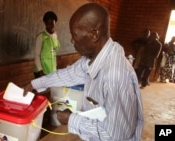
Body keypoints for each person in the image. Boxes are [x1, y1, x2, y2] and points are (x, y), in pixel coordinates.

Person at [24, 3, 143, 141]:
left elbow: (114, 135)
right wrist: (35, 83)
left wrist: (72, 119)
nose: (72, 40)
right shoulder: (95, 57)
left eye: (74, 35)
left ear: (94, 34)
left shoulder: (114, 75)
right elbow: (69, 74)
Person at [33, 11, 61, 78]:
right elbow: (37, 55)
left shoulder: (55, 36)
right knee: (43, 88)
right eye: (47, 24)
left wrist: (55, 67)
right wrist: (40, 71)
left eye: (52, 23)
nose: (50, 26)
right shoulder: (40, 37)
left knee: (52, 88)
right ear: (45, 23)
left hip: (51, 70)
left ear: (55, 22)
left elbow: (54, 53)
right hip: (42, 71)